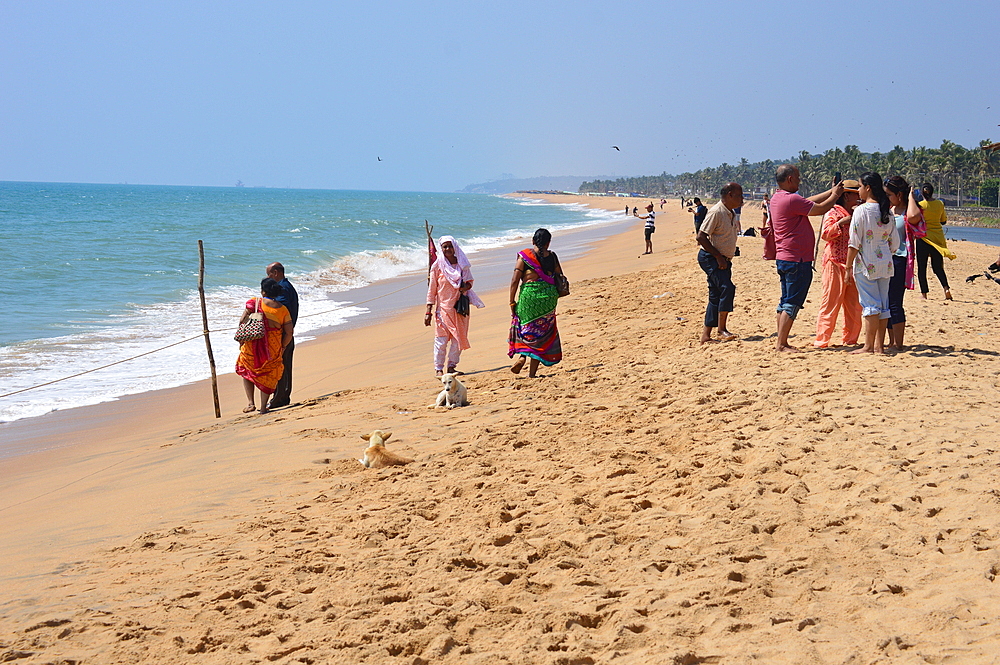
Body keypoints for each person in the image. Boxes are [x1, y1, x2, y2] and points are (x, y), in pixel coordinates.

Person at [770, 164, 843, 351]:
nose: (800, 181)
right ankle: (781, 343)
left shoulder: (779, 198)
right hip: (797, 259)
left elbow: (809, 201)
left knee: (785, 301)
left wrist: (830, 191)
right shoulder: (791, 200)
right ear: (789, 179)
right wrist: (835, 196)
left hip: (785, 257)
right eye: (798, 177)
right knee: (792, 303)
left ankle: (781, 340)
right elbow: (819, 209)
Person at [845, 172, 899, 355]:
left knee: (870, 304)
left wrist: (847, 267)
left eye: (860, 186)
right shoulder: (887, 211)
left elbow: (854, 242)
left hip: (866, 263)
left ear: (868, 188)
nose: (858, 190)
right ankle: (879, 346)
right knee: (883, 305)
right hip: (885, 262)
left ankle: (868, 346)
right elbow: (895, 243)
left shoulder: (861, 211)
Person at [424, 236, 484, 376]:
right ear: (441, 248)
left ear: (455, 247)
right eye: (444, 247)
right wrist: (428, 311)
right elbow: (432, 289)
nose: (448, 249)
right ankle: (438, 369)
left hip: (459, 309)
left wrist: (464, 287)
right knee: (441, 340)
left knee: (458, 340)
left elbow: (470, 282)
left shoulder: (462, 264)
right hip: (442, 310)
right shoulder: (437, 266)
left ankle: (451, 367)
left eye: (450, 246)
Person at [509, 228, 564, 378]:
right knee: (541, 334)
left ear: (533, 241)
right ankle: (531, 374)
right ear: (548, 242)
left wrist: (511, 301)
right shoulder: (552, 256)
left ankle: (522, 357)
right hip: (548, 299)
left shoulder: (524, 257)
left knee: (523, 327)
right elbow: (560, 276)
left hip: (529, 298)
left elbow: (514, 281)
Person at [813, 179, 862, 348]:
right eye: (856, 194)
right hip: (834, 263)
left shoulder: (859, 212)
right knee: (830, 303)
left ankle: (850, 339)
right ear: (847, 196)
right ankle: (822, 340)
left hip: (853, 264)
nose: (859, 197)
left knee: (854, 305)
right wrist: (841, 223)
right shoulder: (832, 212)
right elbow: (826, 234)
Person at [236, 277, 293, 414]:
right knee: (268, 375)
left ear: (263, 291)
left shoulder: (254, 302)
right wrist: (283, 346)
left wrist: (242, 339)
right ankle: (263, 407)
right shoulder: (282, 309)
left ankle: (250, 403)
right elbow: (289, 332)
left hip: (252, 344)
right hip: (272, 348)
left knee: (247, 370)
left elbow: (242, 321)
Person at [696, 182, 744, 343]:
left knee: (715, 295)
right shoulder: (716, 211)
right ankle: (721, 329)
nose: (742, 199)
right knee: (727, 288)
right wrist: (717, 256)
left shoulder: (730, 212)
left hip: (724, 259)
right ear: (729, 195)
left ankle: (706, 336)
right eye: (739, 196)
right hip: (711, 258)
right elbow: (701, 237)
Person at [883, 176, 923, 351]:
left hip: (900, 260)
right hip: (886, 259)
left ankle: (898, 342)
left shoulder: (908, 212)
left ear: (899, 194)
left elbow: (914, 217)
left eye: (889, 194)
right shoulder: (891, 210)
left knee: (895, 302)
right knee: (886, 302)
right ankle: (891, 341)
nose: (887, 197)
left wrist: (911, 196)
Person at [265, 262, 298, 409]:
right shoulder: (286, 286)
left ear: (276, 273)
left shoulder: (283, 288)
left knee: (280, 366)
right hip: (286, 334)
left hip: (283, 335)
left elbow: (280, 311)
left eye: (269, 274)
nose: (269, 277)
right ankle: (283, 397)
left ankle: (278, 398)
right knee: (285, 366)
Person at [915, 183, 956, 300]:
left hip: (923, 238)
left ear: (922, 193)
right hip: (937, 238)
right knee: (938, 266)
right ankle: (946, 288)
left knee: (922, 268)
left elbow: (915, 220)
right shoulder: (940, 203)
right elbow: (943, 221)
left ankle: (924, 294)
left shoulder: (920, 205)